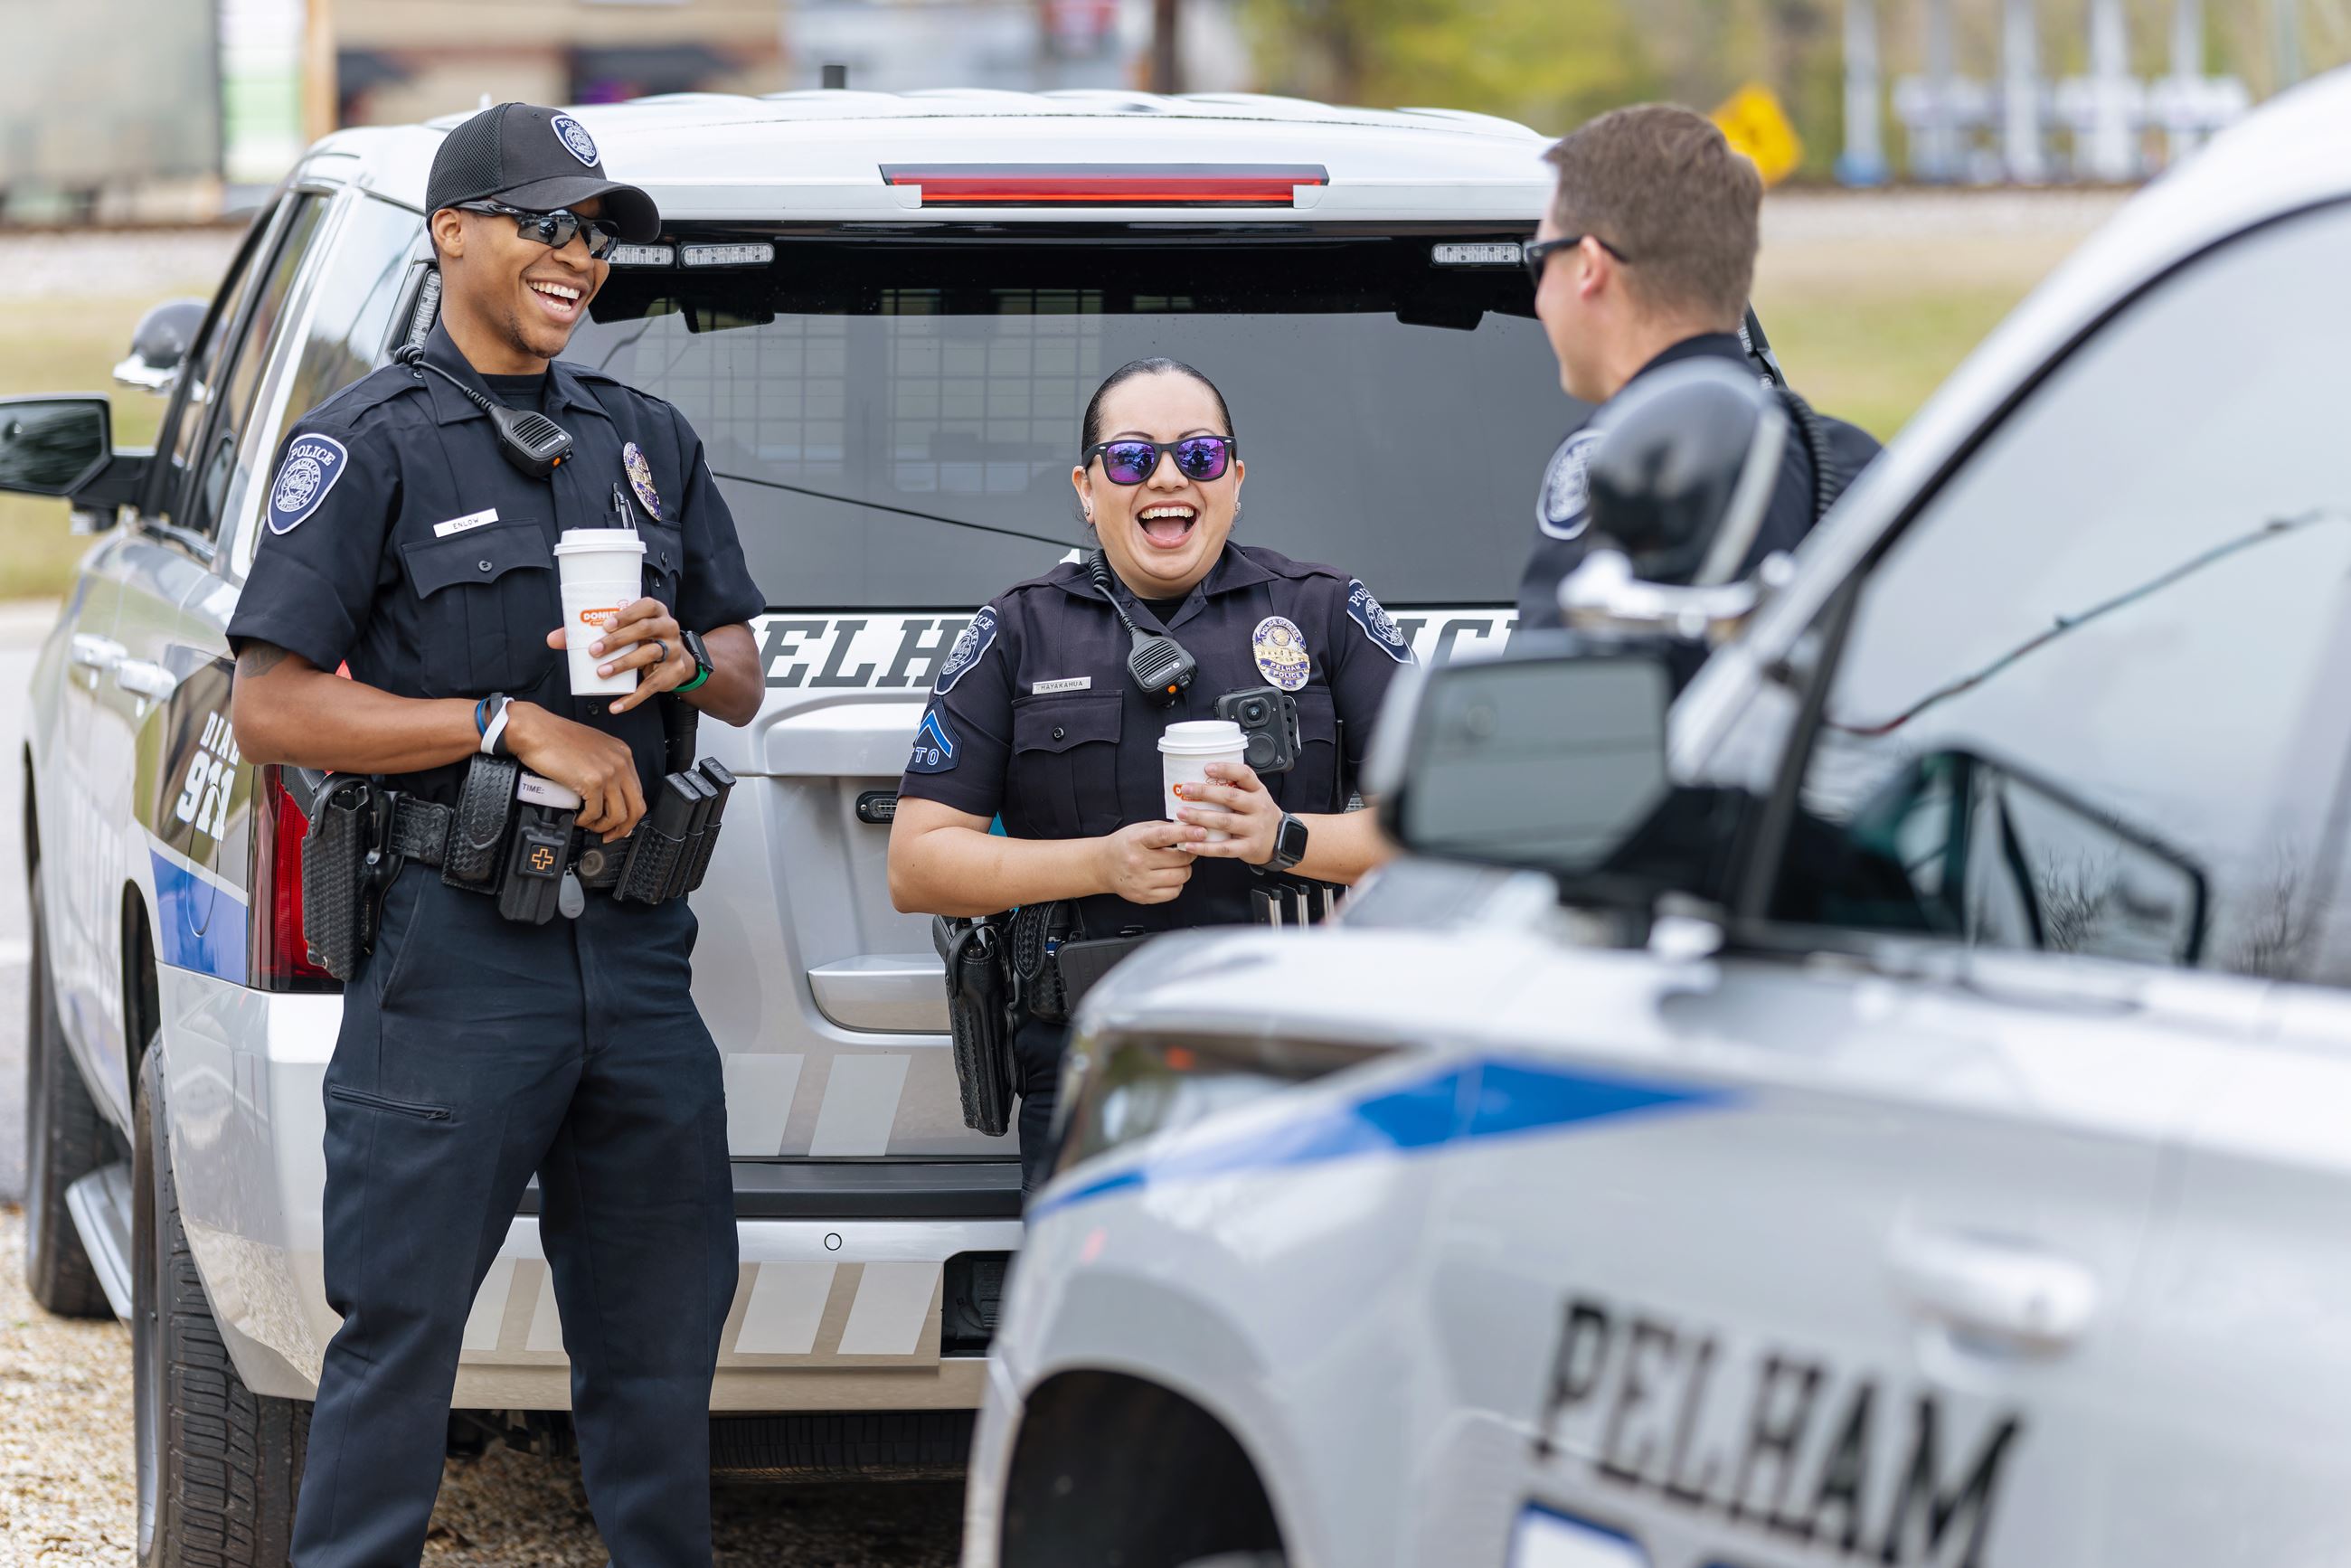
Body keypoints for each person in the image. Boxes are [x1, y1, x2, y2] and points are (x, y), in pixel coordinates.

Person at [226, 102, 765, 1568]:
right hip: (458, 955)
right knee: (398, 1337)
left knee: (659, 1354)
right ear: (450, 231)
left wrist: (680, 661)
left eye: (594, 234)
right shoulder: (370, 445)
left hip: (641, 955)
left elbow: (740, 667)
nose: (577, 258)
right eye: (545, 224)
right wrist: (503, 722)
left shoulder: (646, 439)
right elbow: (269, 705)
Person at [887, 358, 1410, 1195]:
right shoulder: (1017, 629)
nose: (1168, 477)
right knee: (1101, 1319)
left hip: (1301, 1053)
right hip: (1095, 1059)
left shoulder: (1324, 612)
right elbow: (917, 865)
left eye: (1199, 456)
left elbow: (1437, 834)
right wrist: (1100, 865)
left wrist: (1284, 838)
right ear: (1087, 488)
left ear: (1236, 480)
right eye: (1132, 459)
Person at [1515, 103, 1882, 630]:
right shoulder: (1852, 458)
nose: (1538, 299)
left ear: (1590, 268)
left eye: (1539, 260)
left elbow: (1553, 696)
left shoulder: (1622, 458)